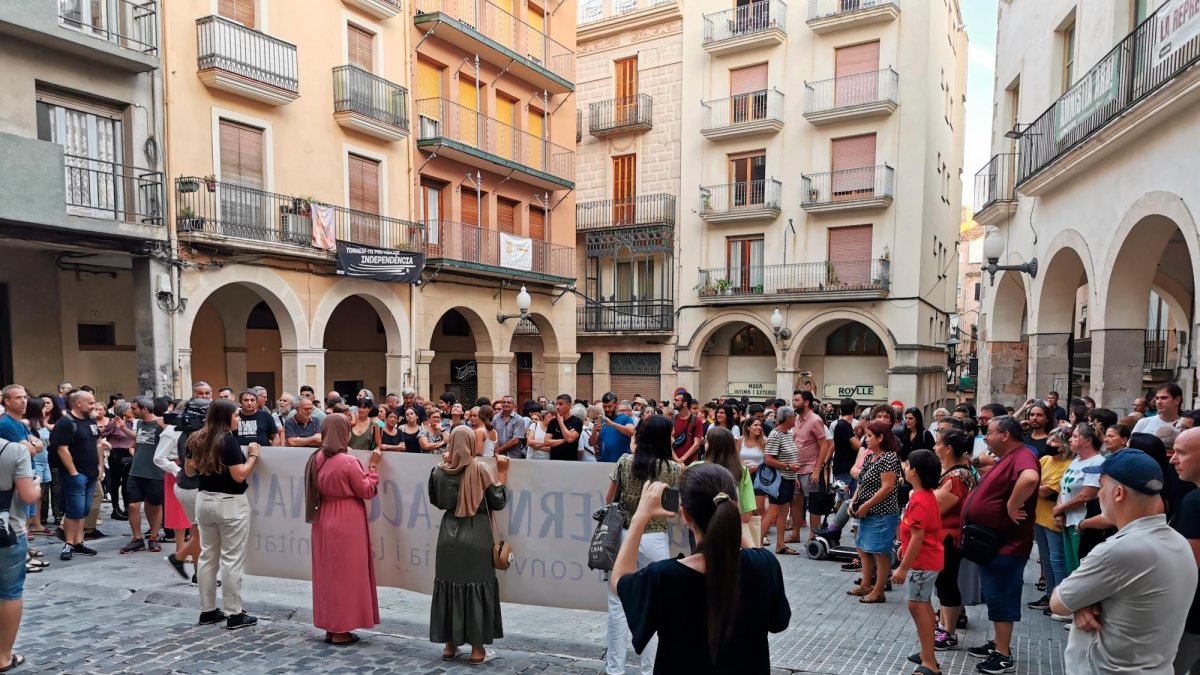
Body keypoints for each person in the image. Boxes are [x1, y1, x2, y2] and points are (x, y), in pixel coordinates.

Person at [611, 463, 789, 675]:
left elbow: (619, 580)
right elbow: (778, 621)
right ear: (734, 507)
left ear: (685, 516)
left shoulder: (665, 577)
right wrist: (731, 520)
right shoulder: (764, 565)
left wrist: (640, 517)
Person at [1051, 450, 1198, 675]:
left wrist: (1082, 601)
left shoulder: (1117, 551)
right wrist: (1085, 602)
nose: (1099, 495)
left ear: (1118, 493)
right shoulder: (1178, 542)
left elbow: (1059, 604)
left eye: (1102, 487)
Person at [962, 416, 1040, 675]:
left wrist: (1011, 504)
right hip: (992, 542)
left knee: (1002, 596)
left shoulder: (1024, 455)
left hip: (1007, 544)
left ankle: (1004, 655)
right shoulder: (1009, 457)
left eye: (990, 432)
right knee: (995, 594)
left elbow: (1029, 478)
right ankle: (998, 642)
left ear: (1005, 435)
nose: (985, 437)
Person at [604, 414, 682, 674]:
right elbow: (673, 511)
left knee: (616, 606)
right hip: (655, 539)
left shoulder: (625, 462)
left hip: (625, 536)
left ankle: (615, 669)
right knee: (654, 608)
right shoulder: (672, 468)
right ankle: (649, 670)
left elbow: (609, 500)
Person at [429, 426, 510, 664]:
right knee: (476, 588)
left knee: (449, 587)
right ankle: (477, 650)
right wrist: (502, 473)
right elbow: (498, 501)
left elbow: (436, 500)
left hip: (448, 535)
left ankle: (449, 646)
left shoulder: (438, 471)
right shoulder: (480, 469)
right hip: (476, 534)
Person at [305, 414, 381, 645]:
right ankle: (340, 630)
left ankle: (331, 625)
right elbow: (366, 490)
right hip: (347, 521)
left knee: (328, 575)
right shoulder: (348, 461)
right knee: (346, 576)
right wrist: (374, 469)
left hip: (323, 517)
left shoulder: (316, 458)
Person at [187, 398, 260, 629]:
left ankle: (207, 610)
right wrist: (253, 456)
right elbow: (239, 475)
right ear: (225, 417)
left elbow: (189, 470)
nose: (239, 418)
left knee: (208, 556)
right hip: (230, 502)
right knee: (231, 559)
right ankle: (234, 613)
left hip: (204, 499)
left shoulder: (196, 438)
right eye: (236, 415)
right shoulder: (226, 440)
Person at [894, 449, 944, 675]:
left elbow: (918, 536)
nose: (904, 468)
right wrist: (904, 550)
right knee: (920, 604)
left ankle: (930, 662)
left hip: (924, 561)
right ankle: (926, 653)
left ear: (914, 471)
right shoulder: (921, 495)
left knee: (918, 605)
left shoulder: (920, 499)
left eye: (907, 465)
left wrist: (903, 569)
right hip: (923, 558)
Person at [0, 410, 39, 674]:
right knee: (10, 592)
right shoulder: (14, 451)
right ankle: (3, 656)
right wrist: (36, 484)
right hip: (7, 530)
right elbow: (27, 496)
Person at [931, 429, 976, 652]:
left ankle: (948, 631)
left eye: (938, 444)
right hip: (946, 536)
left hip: (950, 537)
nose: (934, 448)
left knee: (947, 582)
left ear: (948, 449)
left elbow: (935, 507)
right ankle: (944, 626)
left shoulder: (957, 477)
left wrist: (915, 495)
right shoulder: (954, 473)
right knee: (944, 583)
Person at [847, 421, 902, 604]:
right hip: (867, 512)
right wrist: (854, 501)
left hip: (882, 513)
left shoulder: (889, 458)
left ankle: (878, 591)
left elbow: (888, 487)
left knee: (880, 552)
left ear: (880, 438)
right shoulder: (871, 456)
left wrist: (867, 505)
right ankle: (866, 584)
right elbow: (861, 482)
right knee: (863, 549)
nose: (866, 439)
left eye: (870, 436)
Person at [50, 390, 107, 561]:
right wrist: (73, 472)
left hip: (91, 472)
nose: (93, 406)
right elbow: (62, 449)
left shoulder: (90, 420)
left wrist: (100, 466)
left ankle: (78, 541)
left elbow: (98, 443)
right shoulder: (66, 422)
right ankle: (68, 543)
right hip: (75, 474)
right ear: (77, 403)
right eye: (90, 403)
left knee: (84, 509)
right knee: (74, 510)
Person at [1028, 428, 1071, 615]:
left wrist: (1031, 485)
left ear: (1065, 447)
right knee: (1045, 559)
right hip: (1039, 517)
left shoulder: (1067, 465)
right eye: (1050, 440)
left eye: (1055, 441)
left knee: (1057, 559)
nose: (1050, 444)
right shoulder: (1045, 460)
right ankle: (1048, 595)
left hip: (1053, 518)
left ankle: (1059, 599)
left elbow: (1046, 492)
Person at [1053, 423, 1104, 576]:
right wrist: (1059, 512)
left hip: (1081, 523)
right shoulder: (1076, 460)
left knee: (1079, 568)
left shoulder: (1097, 462)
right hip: (1068, 520)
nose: (1070, 440)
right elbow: (1064, 488)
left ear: (1088, 441)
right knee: (1070, 567)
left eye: (1075, 436)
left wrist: (1060, 509)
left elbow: (1086, 495)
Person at [1170, 428, 1200, 675]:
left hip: (1192, 618)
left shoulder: (1195, 502)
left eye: (1181, 453)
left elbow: (1188, 566)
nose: (1172, 459)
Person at [120, 396, 166, 555]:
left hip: (155, 472)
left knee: (154, 505)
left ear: (144, 409)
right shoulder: (138, 424)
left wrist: (167, 429)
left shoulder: (160, 424)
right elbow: (138, 440)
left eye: (134, 409)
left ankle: (153, 537)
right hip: (136, 470)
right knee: (132, 505)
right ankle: (137, 539)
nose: (131, 412)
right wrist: (123, 429)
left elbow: (173, 443)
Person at [692, 427, 755, 538]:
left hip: (701, 532)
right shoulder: (742, 470)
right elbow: (747, 514)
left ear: (712, 446)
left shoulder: (695, 468)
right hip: (733, 531)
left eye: (707, 441)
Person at [791, 390, 832, 544]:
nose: (794, 403)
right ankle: (795, 533)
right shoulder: (796, 419)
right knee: (795, 501)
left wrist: (817, 470)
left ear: (806, 402)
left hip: (810, 469)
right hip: (796, 468)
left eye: (796, 400)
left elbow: (824, 446)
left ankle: (813, 536)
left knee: (815, 501)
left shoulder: (815, 420)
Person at [763, 406, 801, 555]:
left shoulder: (787, 433)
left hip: (788, 478)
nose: (795, 419)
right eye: (793, 416)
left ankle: (780, 544)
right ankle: (755, 544)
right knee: (773, 512)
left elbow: (790, 456)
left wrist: (794, 475)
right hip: (780, 479)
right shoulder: (775, 434)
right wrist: (787, 467)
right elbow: (768, 460)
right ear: (787, 418)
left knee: (784, 512)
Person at [101, 401, 134, 520]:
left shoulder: (131, 422)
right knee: (115, 481)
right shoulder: (113, 423)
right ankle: (115, 508)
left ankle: (127, 507)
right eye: (129, 409)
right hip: (116, 454)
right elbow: (101, 434)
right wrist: (105, 443)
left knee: (126, 482)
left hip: (129, 453)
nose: (131, 410)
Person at [597, 397, 635, 464]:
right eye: (604, 406)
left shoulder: (625, 418)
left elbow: (631, 432)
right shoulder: (602, 420)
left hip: (621, 463)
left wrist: (612, 424)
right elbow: (591, 443)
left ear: (617, 405)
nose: (607, 409)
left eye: (610, 406)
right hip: (603, 462)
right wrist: (594, 432)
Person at [545, 394, 582, 461]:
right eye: (557, 404)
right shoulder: (553, 422)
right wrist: (564, 440)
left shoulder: (577, 421)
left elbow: (570, 439)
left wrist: (561, 422)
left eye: (561, 404)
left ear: (569, 405)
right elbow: (547, 442)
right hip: (554, 460)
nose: (558, 407)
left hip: (570, 461)